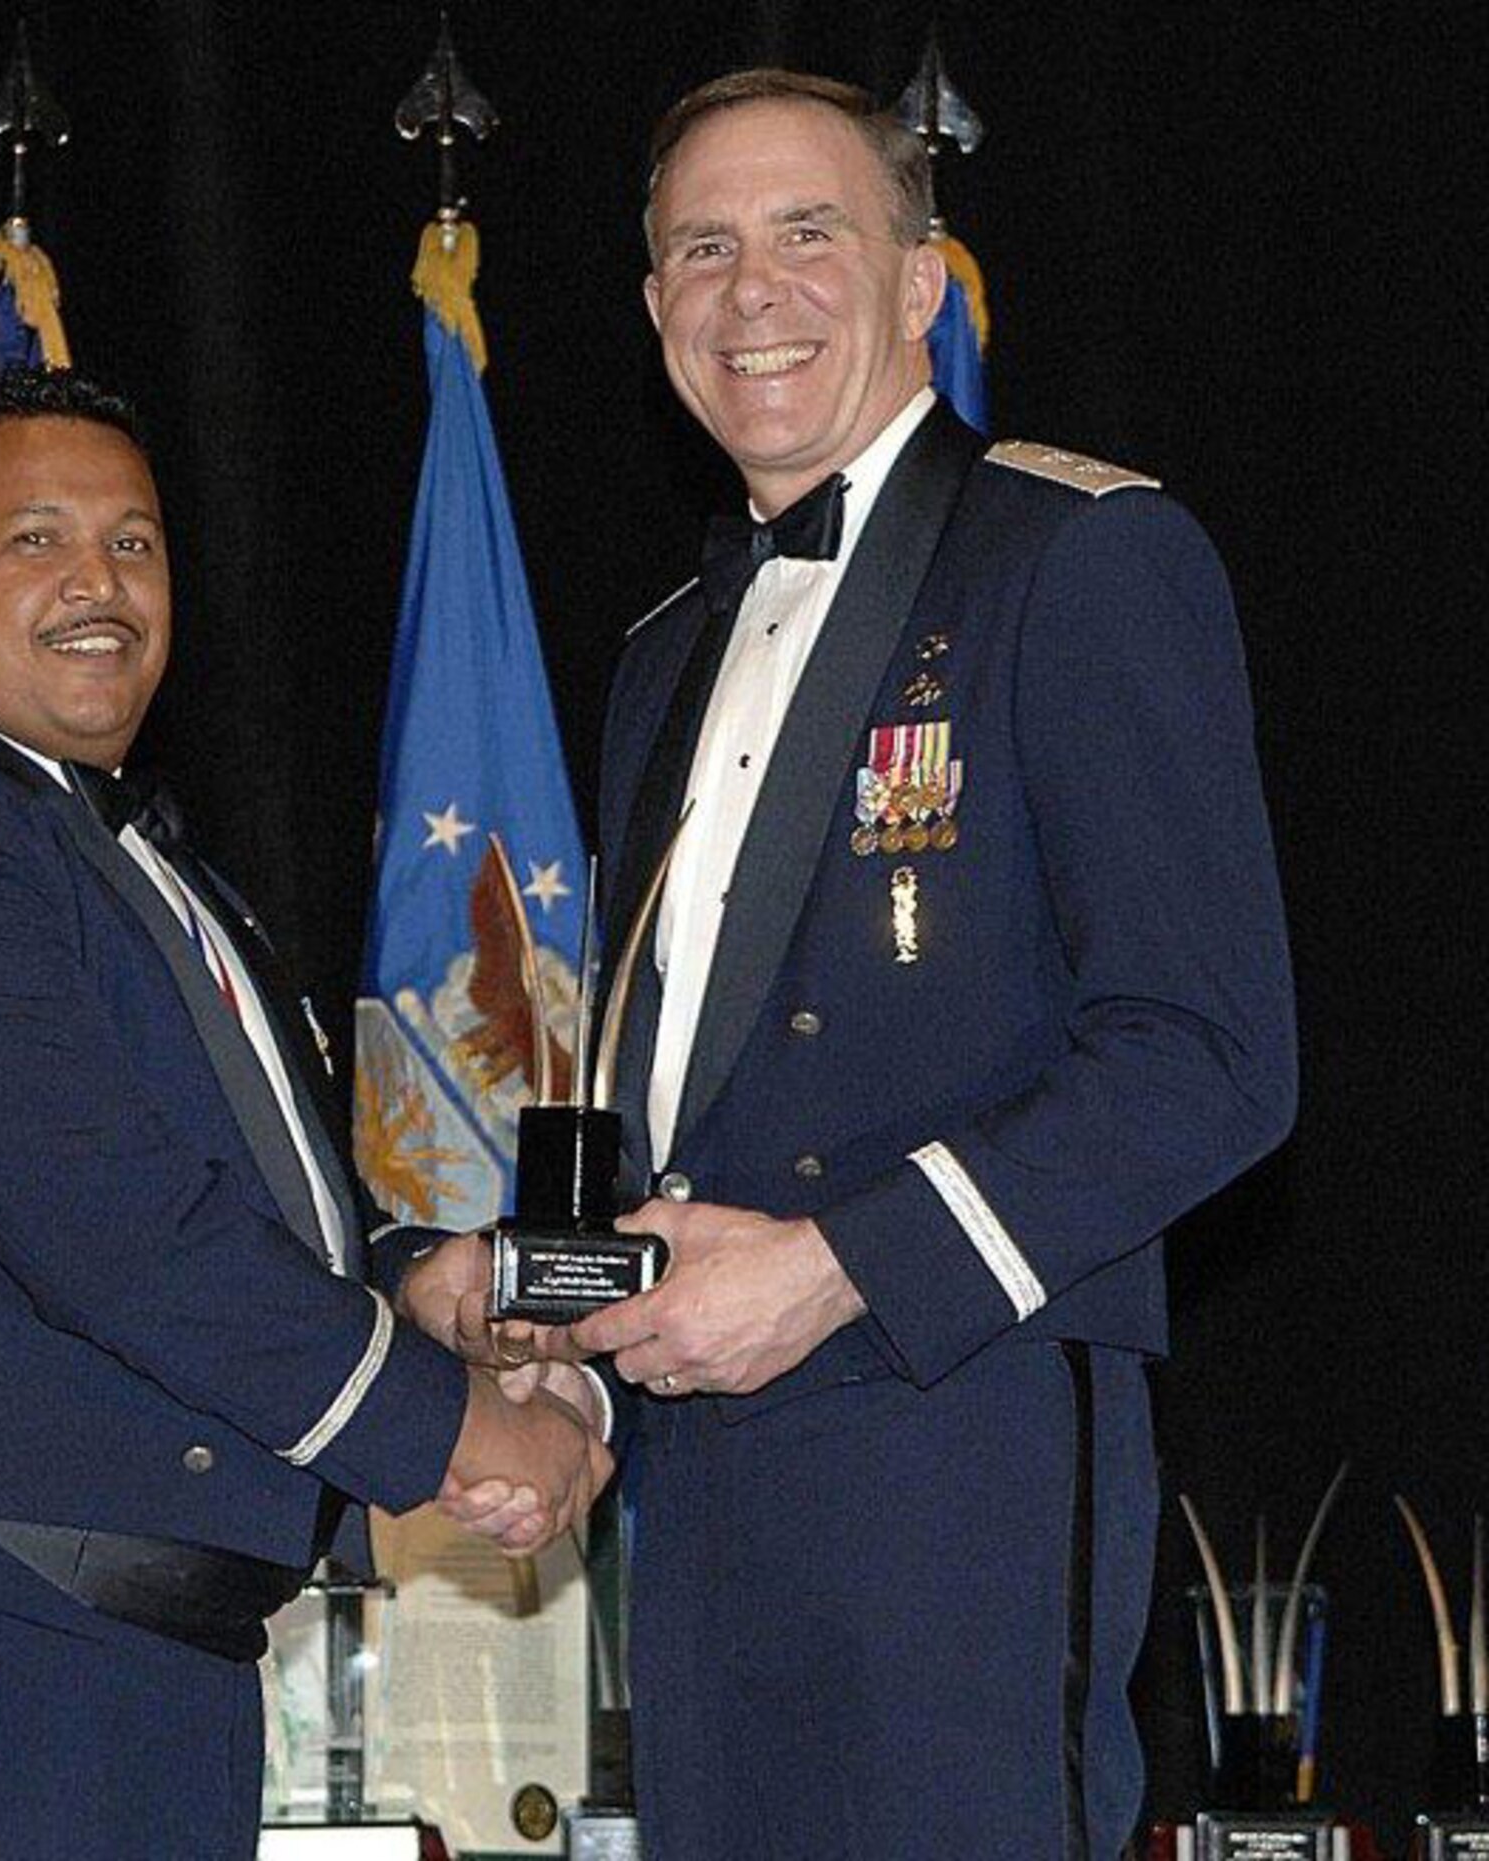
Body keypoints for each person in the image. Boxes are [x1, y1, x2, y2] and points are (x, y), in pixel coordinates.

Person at [402, 68, 1295, 1859]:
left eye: (812, 233)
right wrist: (568, 1356)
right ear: (656, 311)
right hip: (705, 1482)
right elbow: (676, 1108)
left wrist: (831, 1269)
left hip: (952, 1437)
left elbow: (1210, 1057)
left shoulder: (1082, 557)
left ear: (918, 280)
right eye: (704, 249)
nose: (755, 289)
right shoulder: (666, 646)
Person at [0, 368, 608, 1859]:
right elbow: (122, 1230)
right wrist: (446, 1424)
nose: (99, 582)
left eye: (134, 543)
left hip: (133, 1651)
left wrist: (418, 1282)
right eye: (36, 540)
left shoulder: (146, 871)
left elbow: (229, 1204)